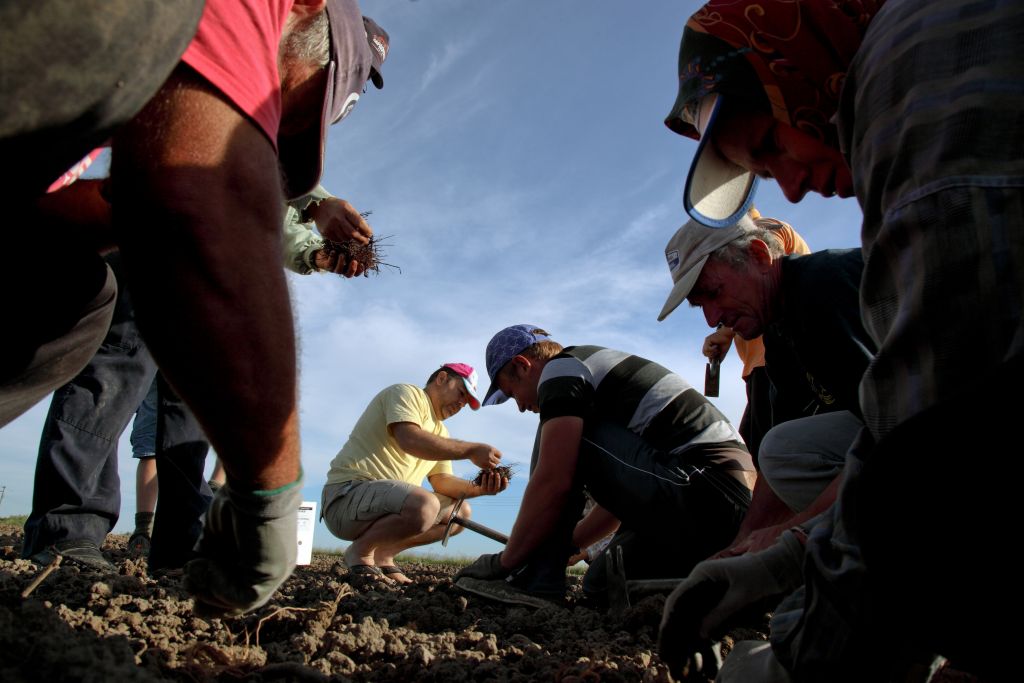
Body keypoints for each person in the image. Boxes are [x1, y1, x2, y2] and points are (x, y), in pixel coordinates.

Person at [657, 1, 1023, 680]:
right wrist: (752, 554)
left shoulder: (912, 65)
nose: (791, 187)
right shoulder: (776, 345)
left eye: (770, 147)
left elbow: (928, 431)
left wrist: (810, 644)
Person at [1, 0, 390, 616]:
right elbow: (203, 195)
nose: (283, 122)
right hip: (159, 262)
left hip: (158, 233)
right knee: (109, 360)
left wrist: (305, 245)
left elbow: (192, 198)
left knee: (160, 388)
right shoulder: (226, 14)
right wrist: (272, 491)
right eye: (312, 94)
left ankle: (177, 547)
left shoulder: (154, 86)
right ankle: (68, 530)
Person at [21, 183, 380, 572]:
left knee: (189, 413)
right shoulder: (265, 141)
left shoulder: (287, 174)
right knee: (113, 378)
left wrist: (315, 252)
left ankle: (183, 547)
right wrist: (316, 204)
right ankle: (66, 532)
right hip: (162, 241)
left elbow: (265, 222)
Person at [455, 325, 755, 608]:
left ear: (522, 365)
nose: (519, 406)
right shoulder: (595, 380)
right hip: (720, 512)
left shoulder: (562, 368)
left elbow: (553, 479)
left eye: (511, 393)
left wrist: (506, 561)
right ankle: (727, 587)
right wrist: (566, 546)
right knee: (602, 583)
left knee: (562, 439)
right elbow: (618, 503)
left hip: (709, 488)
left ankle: (536, 582)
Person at [658, 214, 874, 558]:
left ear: (759, 255)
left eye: (714, 293)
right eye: (701, 305)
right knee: (780, 449)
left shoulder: (825, 285)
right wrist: (743, 545)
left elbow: (894, 427)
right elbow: (778, 459)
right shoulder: (779, 332)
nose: (712, 318)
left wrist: (794, 530)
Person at [322, 364, 507, 584]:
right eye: (461, 393)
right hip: (346, 498)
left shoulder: (440, 432)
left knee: (459, 514)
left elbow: (442, 482)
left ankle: (384, 554)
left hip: (384, 505)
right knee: (425, 504)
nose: (461, 403)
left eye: (466, 401)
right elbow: (409, 439)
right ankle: (360, 553)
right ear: (441, 378)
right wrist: (469, 450)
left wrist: (482, 489)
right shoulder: (406, 394)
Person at [696, 210, 810, 463]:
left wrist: (726, 331)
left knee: (774, 454)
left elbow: (762, 266)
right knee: (759, 451)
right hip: (761, 365)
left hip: (775, 361)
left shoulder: (761, 227)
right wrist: (726, 333)